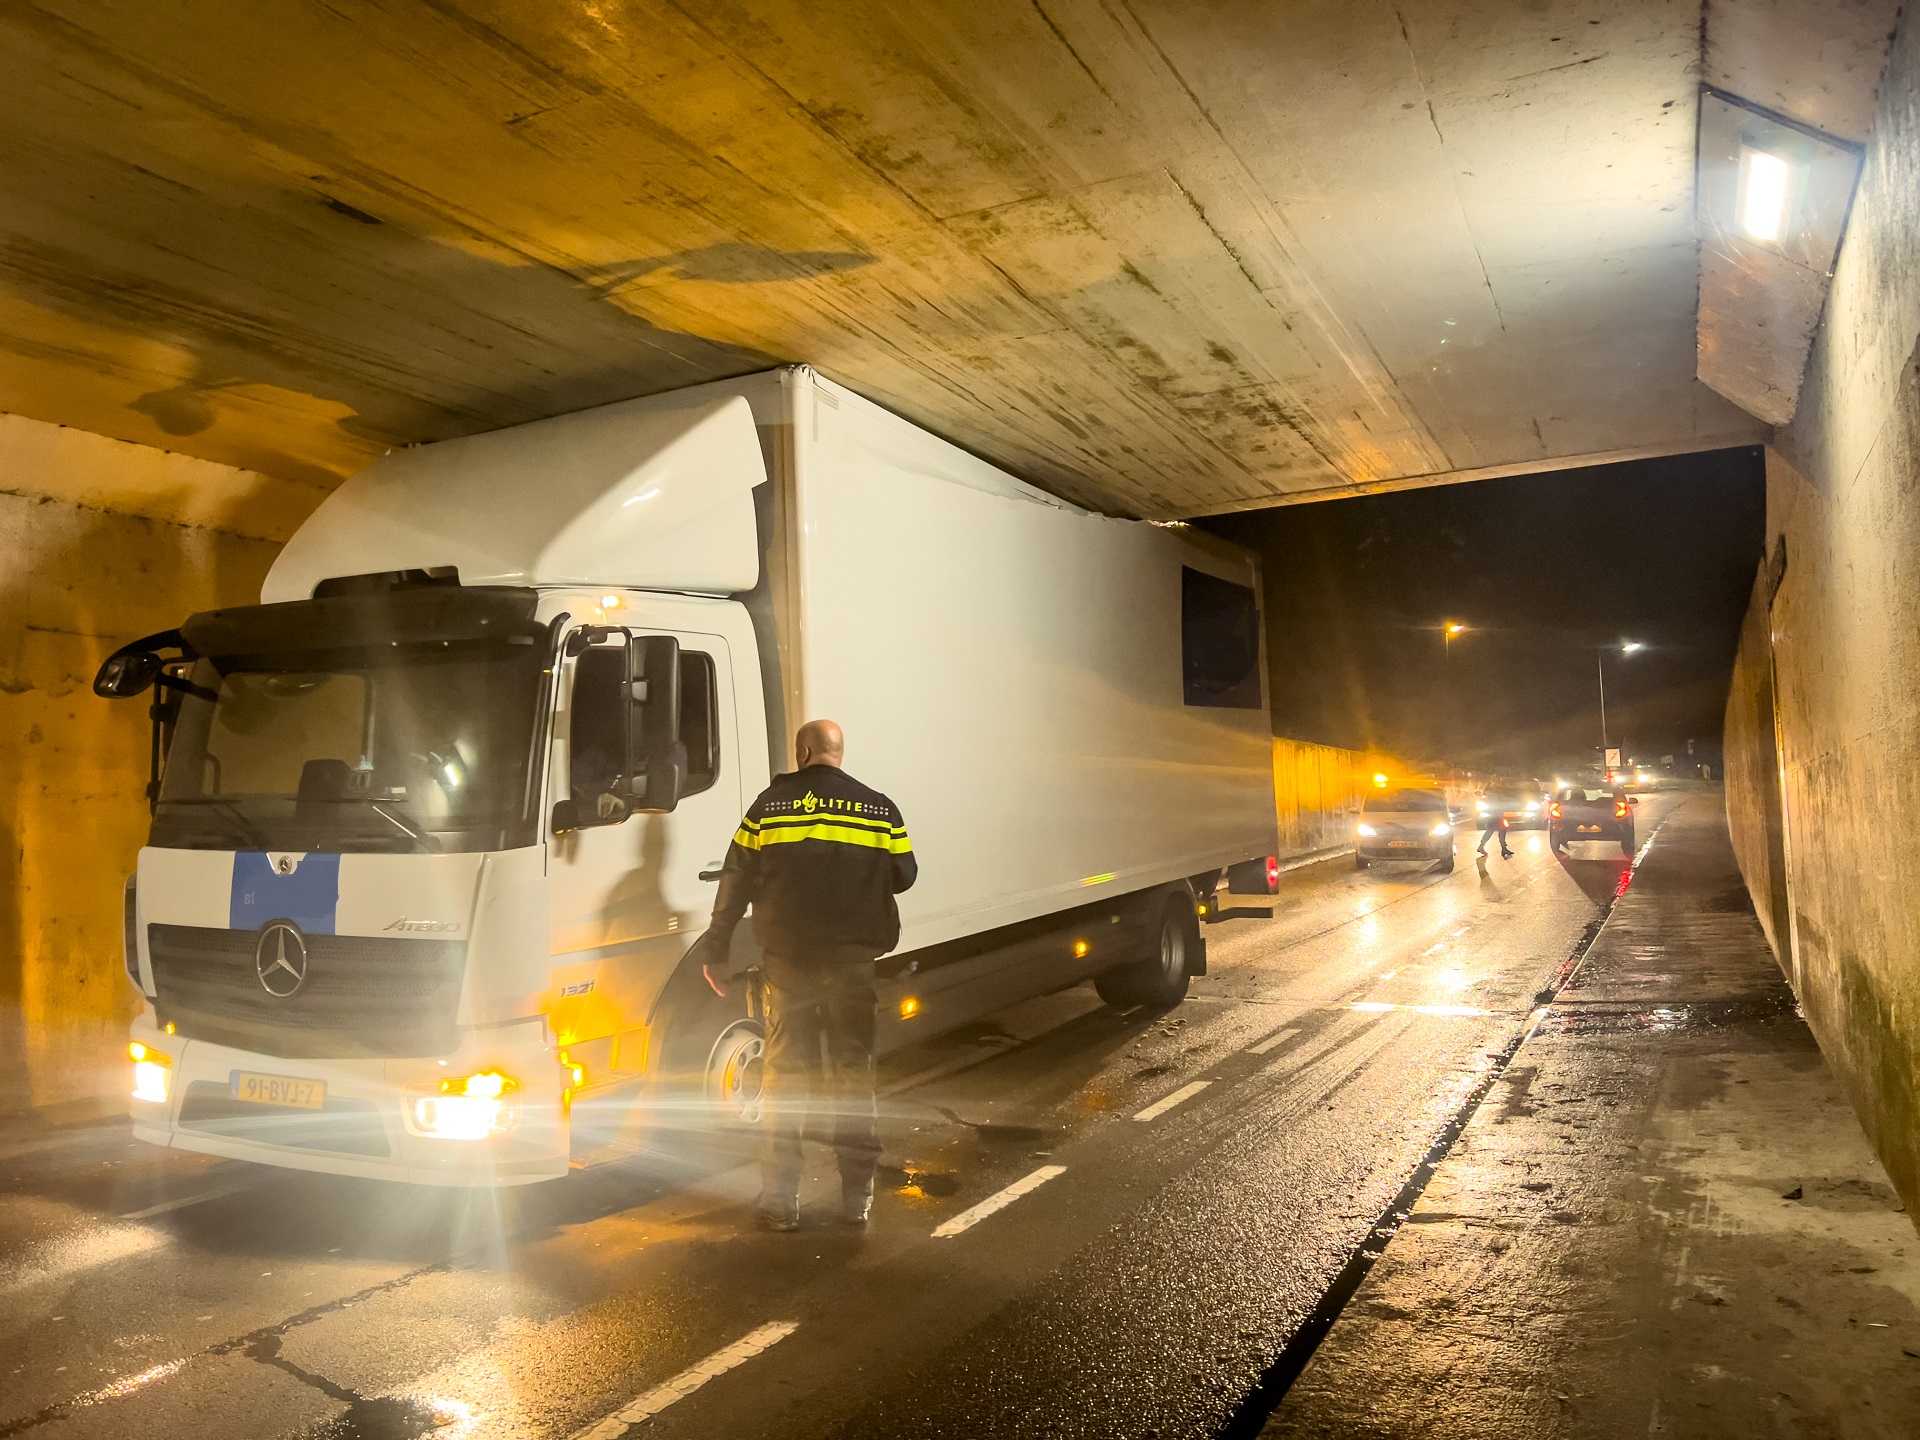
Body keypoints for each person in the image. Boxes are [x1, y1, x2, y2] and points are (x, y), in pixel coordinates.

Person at [696, 719, 916, 1231]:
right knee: (852, 1076)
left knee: (785, 1079)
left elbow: (734, 883)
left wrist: (716, 950)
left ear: (804, 752)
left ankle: (780, 1200)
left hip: (788, 966)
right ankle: (856, 1197)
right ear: (838, 753)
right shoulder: (878, 806)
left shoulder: (767, 809)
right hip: (851, 967)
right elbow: (905, 875)